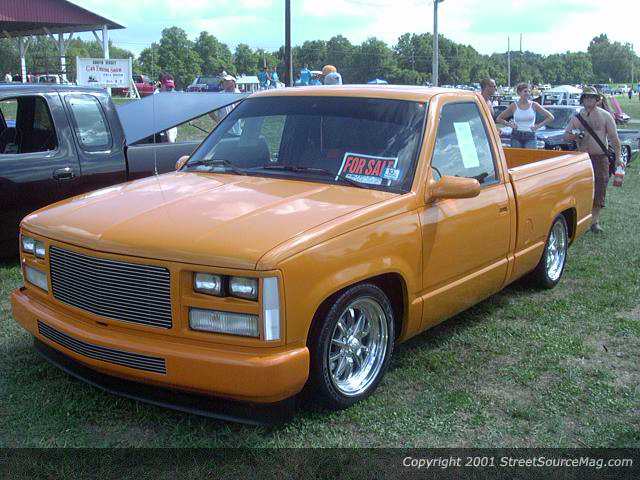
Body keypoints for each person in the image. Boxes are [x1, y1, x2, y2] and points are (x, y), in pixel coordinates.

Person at [564, 86, 622, 233]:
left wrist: (618, 158)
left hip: (600, 158)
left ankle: (594, 222)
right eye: (586, 97)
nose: (589, 100)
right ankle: (581, 220)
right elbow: (566, 136)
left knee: (599, 188)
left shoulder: (605, 116)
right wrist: (576, 135)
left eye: (592, 97)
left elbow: (614, 139)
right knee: (581, 189)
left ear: (597, 100)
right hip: (582, 159)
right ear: (582, 100)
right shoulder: (577, 117)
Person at [496, 82, 554, 149]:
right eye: (525, 91)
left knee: (531, 155)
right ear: (519, 93)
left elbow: (550, 117)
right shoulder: (514, 106)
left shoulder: (534, 105)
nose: (527, 93)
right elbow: (499, 118)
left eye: (529, 91)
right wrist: (510, 125)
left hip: (530, 135)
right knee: (517, 155)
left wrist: (538, 126)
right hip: (516, 135)